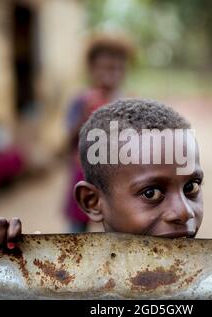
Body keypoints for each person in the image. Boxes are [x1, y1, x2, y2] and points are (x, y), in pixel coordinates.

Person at [0, 98, 212, 254]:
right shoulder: (56, 271)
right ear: (92, 202)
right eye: (152, 193)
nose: (184, 211)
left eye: (192, 187)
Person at [64, 35, 134, 232]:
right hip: (83, 174)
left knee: (119, 232)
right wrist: (85, 117)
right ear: (92, 69)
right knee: (76, 233)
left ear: (124, 70)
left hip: (119, 177)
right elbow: (67, 141)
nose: (108, 74)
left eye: (115, 68)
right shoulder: (81, 101)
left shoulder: (130, 103)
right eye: (103, 68)